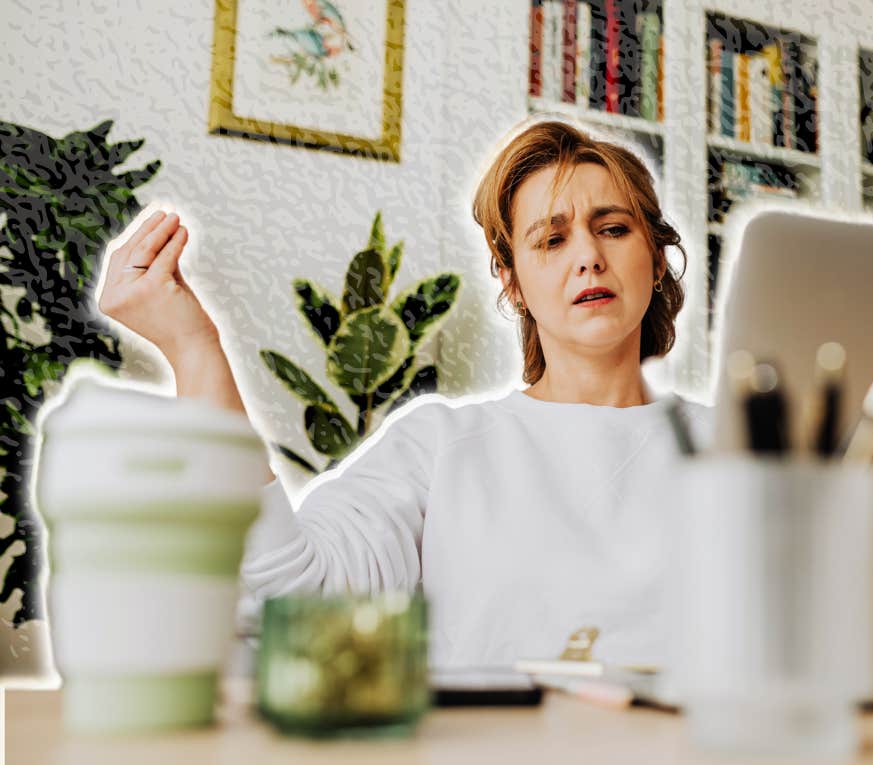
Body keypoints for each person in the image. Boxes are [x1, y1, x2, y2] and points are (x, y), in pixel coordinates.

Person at [96, 120, 712, 669]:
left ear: (655, 260)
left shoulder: (743, 451)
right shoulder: (442, 447)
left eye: (613, 228)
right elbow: (284, 597)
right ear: (513, 282)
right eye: (552, 240)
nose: (589, 258)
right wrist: (193, 347)